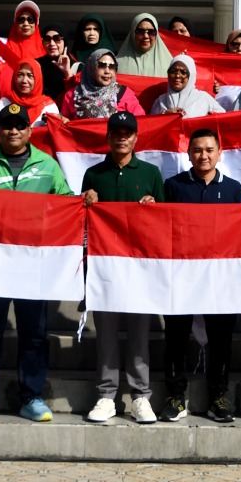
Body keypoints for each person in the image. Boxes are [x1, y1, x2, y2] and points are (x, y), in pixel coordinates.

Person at [0, 103, 73, 422]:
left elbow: (66, 206)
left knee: (34, 334)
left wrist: (83, 202)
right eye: (7, 125)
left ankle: (32, 397)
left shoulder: (48, 166)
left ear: (29, 131)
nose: (13, 130)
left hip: (33, 265)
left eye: (19, 125)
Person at [160, 127, 241, 424]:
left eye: (209, 150)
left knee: (222, 339)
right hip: (181, 276)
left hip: (220, 277)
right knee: (175, 336)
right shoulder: (173, 186)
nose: (203, 155)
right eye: (197, 150)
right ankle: (175, 395)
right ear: (188, 154)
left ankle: (218, 396)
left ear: (219, 153)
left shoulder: (235, 189)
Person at [81, 111, 165, 425]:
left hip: (140, 268)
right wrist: (85, 200)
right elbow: (83, 221)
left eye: (127, 132)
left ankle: (140, 396)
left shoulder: (151, 173)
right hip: (105, 266)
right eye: (116, 131)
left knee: (140, 334)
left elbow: (165, 221)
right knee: (105, 333)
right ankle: (106, 395)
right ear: (108, 136)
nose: (122, 137)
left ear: (136, 137)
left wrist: (154, 208)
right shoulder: (94, 174)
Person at [61, 48, 144, 121]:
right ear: (91, 67)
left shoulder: (124, 93)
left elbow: (140, 121)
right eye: (102, 65)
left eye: (111, 66)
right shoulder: (73, 95)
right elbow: (64, 125)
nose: (107, 71)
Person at [151, 53, 225, 117]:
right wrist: (165, 115)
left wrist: (208, 119)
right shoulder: (160, 101)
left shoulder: (203, 98)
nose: (177, 75)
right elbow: (152, 126)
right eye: (173, 71)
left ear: (191, 76)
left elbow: (223, 119)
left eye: (183, 72)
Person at [0, 59, 59, 126]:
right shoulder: (4, 102)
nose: (24, 81)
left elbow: (55, 132)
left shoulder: (48, 106)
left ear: (37, 79)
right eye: (20, 75)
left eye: (30, 76)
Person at [115, 12, 172, 77]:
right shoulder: (117, 65)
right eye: (140, 31)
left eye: (151, 32)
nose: (146, 36)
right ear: (133, 33)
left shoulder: (169, 65)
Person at [1, 0, 47, 68]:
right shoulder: (3, 46)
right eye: (21, 20)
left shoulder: (46, 46)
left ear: (36, 23)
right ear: (16, 24)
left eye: (30, 19)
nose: (26, 24)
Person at [37, 24, 74, 104]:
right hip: (40, 112)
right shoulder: (36, 65)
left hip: (67, 115)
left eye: (57, 39)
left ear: (65, 42)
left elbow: (79, 95)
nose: (52, 43)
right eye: (47, 39)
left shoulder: (77, 66)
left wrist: (67, 72)